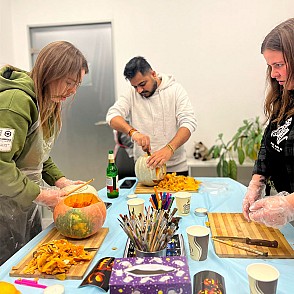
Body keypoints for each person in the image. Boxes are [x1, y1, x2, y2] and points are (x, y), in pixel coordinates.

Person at [0, 41, 89, 265]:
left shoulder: (48, 100)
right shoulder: (16, 102)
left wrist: (61, 181)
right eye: (69, 82)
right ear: (51, 71)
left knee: (29, 264)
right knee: (9, 271)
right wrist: (42, 195)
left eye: (77, 84)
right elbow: (1, 165)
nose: (73, 91)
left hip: (22, 200)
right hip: (4, 206)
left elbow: (38, 153)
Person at [242, 18, 294, 228]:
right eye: (270, 66)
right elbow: (271, 137)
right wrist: (257, 180)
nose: (273, 74)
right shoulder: (286, 94)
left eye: (279, 65)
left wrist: (289, 205)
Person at [106, 56, 197, 175]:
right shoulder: (131, 94)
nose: (139, 90)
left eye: (142, 84)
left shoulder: (175, 90)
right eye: (135, 86)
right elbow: (112, 116)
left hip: (176, 169)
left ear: (153, 74)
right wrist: (133, 133)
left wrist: (169, 148)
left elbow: (188, 123)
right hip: (145, 170)